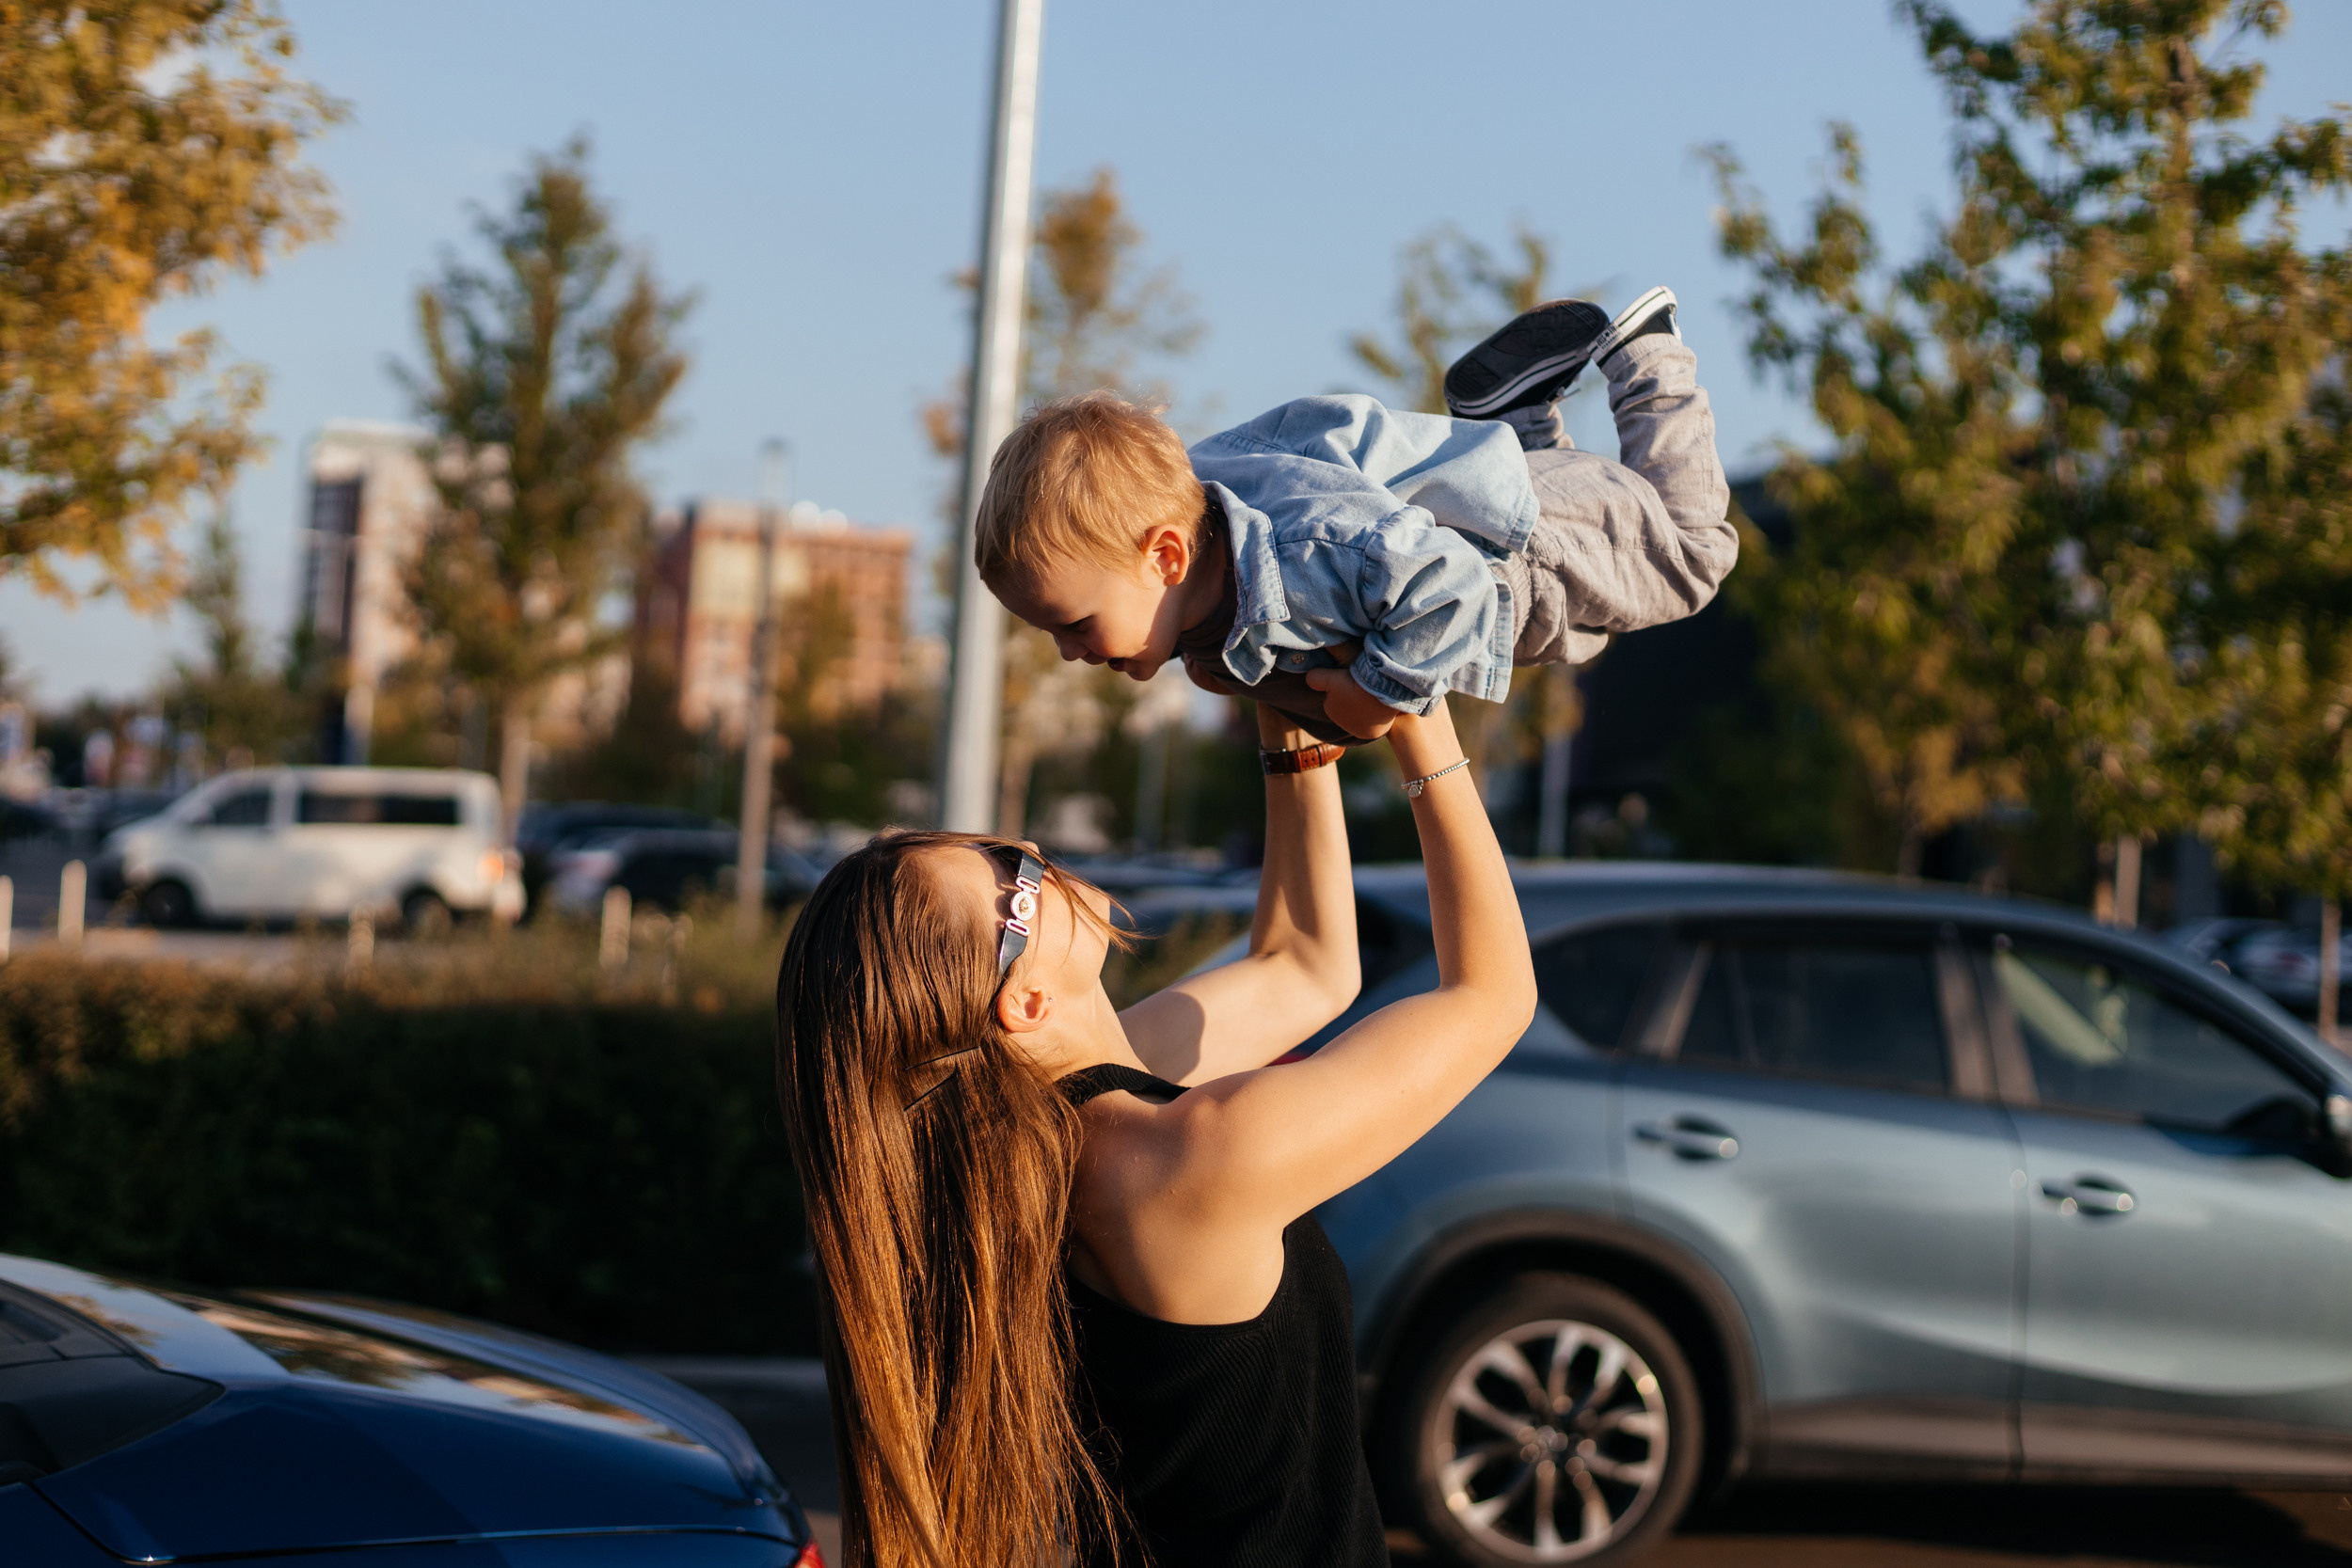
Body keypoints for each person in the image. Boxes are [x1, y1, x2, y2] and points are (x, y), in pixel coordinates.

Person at [773, 698, 1534, 1567]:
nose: (1033, 856)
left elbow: (1309, 967)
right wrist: (1418, 717)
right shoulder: (1185, 1159)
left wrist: (1287, 716)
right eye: (1010, 875)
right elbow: (1493, 997)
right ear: (1023, 1004)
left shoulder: (1051, 1137)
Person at [977, 287, 1737, 747]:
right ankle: (1516, 417)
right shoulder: (1187, 549)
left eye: (1073, 623)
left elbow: (1451, 586)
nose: (1068, 651)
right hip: (1506, 547)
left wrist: (1378, 690)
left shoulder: (1308, 548)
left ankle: (1646, 354)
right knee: (1587, 640)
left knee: (1694, 559)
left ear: (1166, 558)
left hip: (1528, 543)